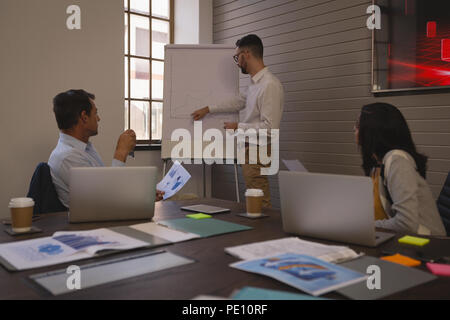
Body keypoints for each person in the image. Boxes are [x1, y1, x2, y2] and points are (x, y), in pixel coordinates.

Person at [191, 34, 284, 208]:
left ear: (246, 54)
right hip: (251, 149)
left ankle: (264, 234)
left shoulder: (269, 85)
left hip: (258, 149)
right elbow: (237, 102)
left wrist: (238, 127)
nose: (237, 62)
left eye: (237, 56)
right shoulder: (255, 84)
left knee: (260, 201)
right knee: (255, 198)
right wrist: (208, 109)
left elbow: (270, 128)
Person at [48, 89, 164, 207]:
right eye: (95, 113)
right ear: (84, 117)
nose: (98, 119)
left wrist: (143, 195)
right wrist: (121, 152)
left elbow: (105, 187)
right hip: (92, 224)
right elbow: (106, 200)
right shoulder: (68, 157)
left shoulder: (85, 148)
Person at [354, 102, 445, 236]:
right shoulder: (377, 164)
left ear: (372, 130)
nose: (354, 129)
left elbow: (406, 224)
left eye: (358, 125)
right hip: (399, 237)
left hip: (426, 243)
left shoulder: (397, 160)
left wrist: (362, 226)